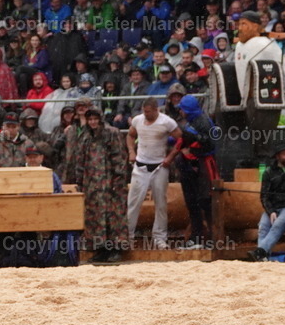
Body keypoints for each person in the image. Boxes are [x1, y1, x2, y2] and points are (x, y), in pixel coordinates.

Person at [71, 107, 129, 263]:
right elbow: (80, 161)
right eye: (90, 120)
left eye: (95, 119)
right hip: (92, 186)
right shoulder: (85, 137)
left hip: (111, 184)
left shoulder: (112, 133)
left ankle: (116, 249)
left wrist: (118, 181)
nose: (93, 122)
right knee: (96, 218)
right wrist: (80, 182)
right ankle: (101, 249)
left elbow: (120, 158)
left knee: (114, 217)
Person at [126, 98, 181, 249]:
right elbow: (130, 135)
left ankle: (160, 237)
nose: (146, 114)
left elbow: (181, 139)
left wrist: (170, 157)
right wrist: (131, 151)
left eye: (149, 112)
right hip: (140, 166)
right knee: (133, 203)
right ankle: (128, 237)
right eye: (144, 111)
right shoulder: (138, 120)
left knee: (161, 203)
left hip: (159, 166)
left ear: (156, 109)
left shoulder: (167, 122)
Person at [172, 95, 218, 248]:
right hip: (189, 167)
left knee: (205, 201)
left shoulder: (204, 122)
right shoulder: (191, 121)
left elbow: (211, 143)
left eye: (182, 108)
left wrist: (192, 146)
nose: (180, 111)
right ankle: (196, 237)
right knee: (192, 202)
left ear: (188, 110)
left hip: (202, 165)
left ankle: (212, 238)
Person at [248, 144, 285, 261]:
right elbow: (264, 196)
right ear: (277, 156)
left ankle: (260, 252)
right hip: (273, 207)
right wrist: (270, 211)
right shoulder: (268, 172)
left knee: (279, 223)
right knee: (263, 226)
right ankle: (263, 257)